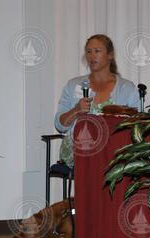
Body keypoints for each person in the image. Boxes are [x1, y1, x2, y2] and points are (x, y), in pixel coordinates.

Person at [55, 34, 140, 167]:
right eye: (88, 52)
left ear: (110, 55)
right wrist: (76, 110)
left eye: (97, 51)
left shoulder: (127, 88)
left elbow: (137, 125)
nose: (92, 56)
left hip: (114, 151)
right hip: (78, 151)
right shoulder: (73, 85)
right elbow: (60, 125)